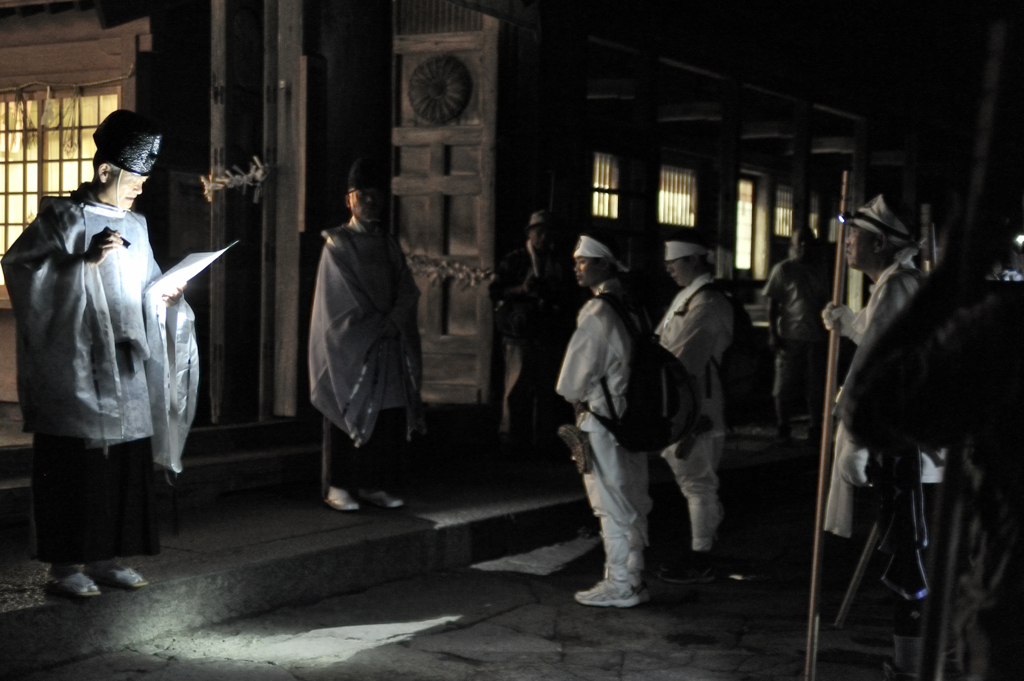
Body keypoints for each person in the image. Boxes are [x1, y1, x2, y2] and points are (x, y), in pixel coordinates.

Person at [0, 110, 198, 598]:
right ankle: (65, 565)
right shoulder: (63, 218)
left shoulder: (136, 224)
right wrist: (82, 263)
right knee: (74, 463)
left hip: (126, 361)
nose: (140, 189)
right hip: (79, 365)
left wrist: (164, 295)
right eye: (134, 179)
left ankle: (107, 558)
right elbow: (24, 272)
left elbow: (146, 284)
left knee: (122, 463)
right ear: (106, 170)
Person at [821, 194, 930, 679]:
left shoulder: (896, 287)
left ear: (880, 242)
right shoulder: (894, 285)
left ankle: (911, 667)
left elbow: (877, 374)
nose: (847, 243)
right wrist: (848, 321)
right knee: (909, 558)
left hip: (908, 452)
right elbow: (876, 335)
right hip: (907, 450)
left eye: (855, 236)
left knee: (912, 564)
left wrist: (856, 438)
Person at [308, 157, 425, 512]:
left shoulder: (388, 244)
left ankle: (375, 483)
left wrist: (396, 319)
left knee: (387, 413)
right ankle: (338, 485)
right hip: (352, 345)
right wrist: (378, 324)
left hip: (388, 342)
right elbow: (341, 297)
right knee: (348, 408)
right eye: (363, 195)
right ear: (349, 200)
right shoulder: (337, 245)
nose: (370, 201)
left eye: (376, 195)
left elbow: (407, 288)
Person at [555, 231, 652, 608]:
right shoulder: (631, 305)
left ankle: (622, 585)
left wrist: (577, 400)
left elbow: (571, 382)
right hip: (632, 419)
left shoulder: (598, 312)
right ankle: (634, 578)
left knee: (610, 504)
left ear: (604, 264)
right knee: (633, 499)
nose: (577, 268)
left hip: (602, 421)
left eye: (584, 261)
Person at [655, 231, 733, 583]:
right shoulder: (691, 298)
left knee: (696, 480)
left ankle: (701, 557)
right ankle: (705, 544)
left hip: (696, 400)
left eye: (675, 261)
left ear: (694, 260)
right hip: (686, 397)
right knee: (697, 479)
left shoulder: (708, 303)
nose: (669, 267)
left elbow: (685, 356)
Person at [490, 210, 574, 456]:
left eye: (548, 232)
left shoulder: (557, 262)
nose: (544, 237)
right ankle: (512, 441)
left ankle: (542, 441)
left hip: (547, 333)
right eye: (539, 231)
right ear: (530, 233)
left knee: (547, 389)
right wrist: (520, 289)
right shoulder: (515, 260)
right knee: (516, 388)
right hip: (519, 334)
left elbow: (567, 295)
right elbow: (495, 292)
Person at [762, 226, 830, 444]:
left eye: (807, 242)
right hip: (790, 336)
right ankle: (783, 426)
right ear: (792, 245)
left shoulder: (820, 270)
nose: (803, 247)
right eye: (799, 242)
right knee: (783, 386)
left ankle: (815, 427)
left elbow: (826, 301)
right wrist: (772, 332)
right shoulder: (783, 270)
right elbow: (772, 303)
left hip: (816, 336)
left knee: (816, 387)